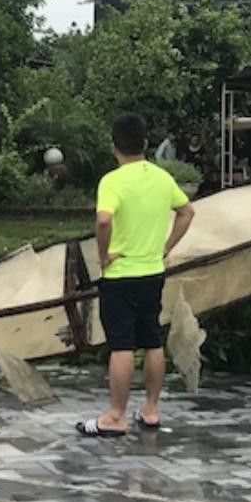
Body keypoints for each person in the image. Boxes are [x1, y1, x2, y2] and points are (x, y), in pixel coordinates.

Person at [77, 113, 195, 437]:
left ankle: (115, 416)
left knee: (122, 345)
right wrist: (166, 247)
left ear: (113, 145)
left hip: (120, 275)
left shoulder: (112, 181)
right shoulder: (161, 178)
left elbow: (103, 221)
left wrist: (103, 256)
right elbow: (187, 212)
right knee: (152, 340)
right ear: (145, 143)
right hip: (152, 272)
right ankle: (152, 410)